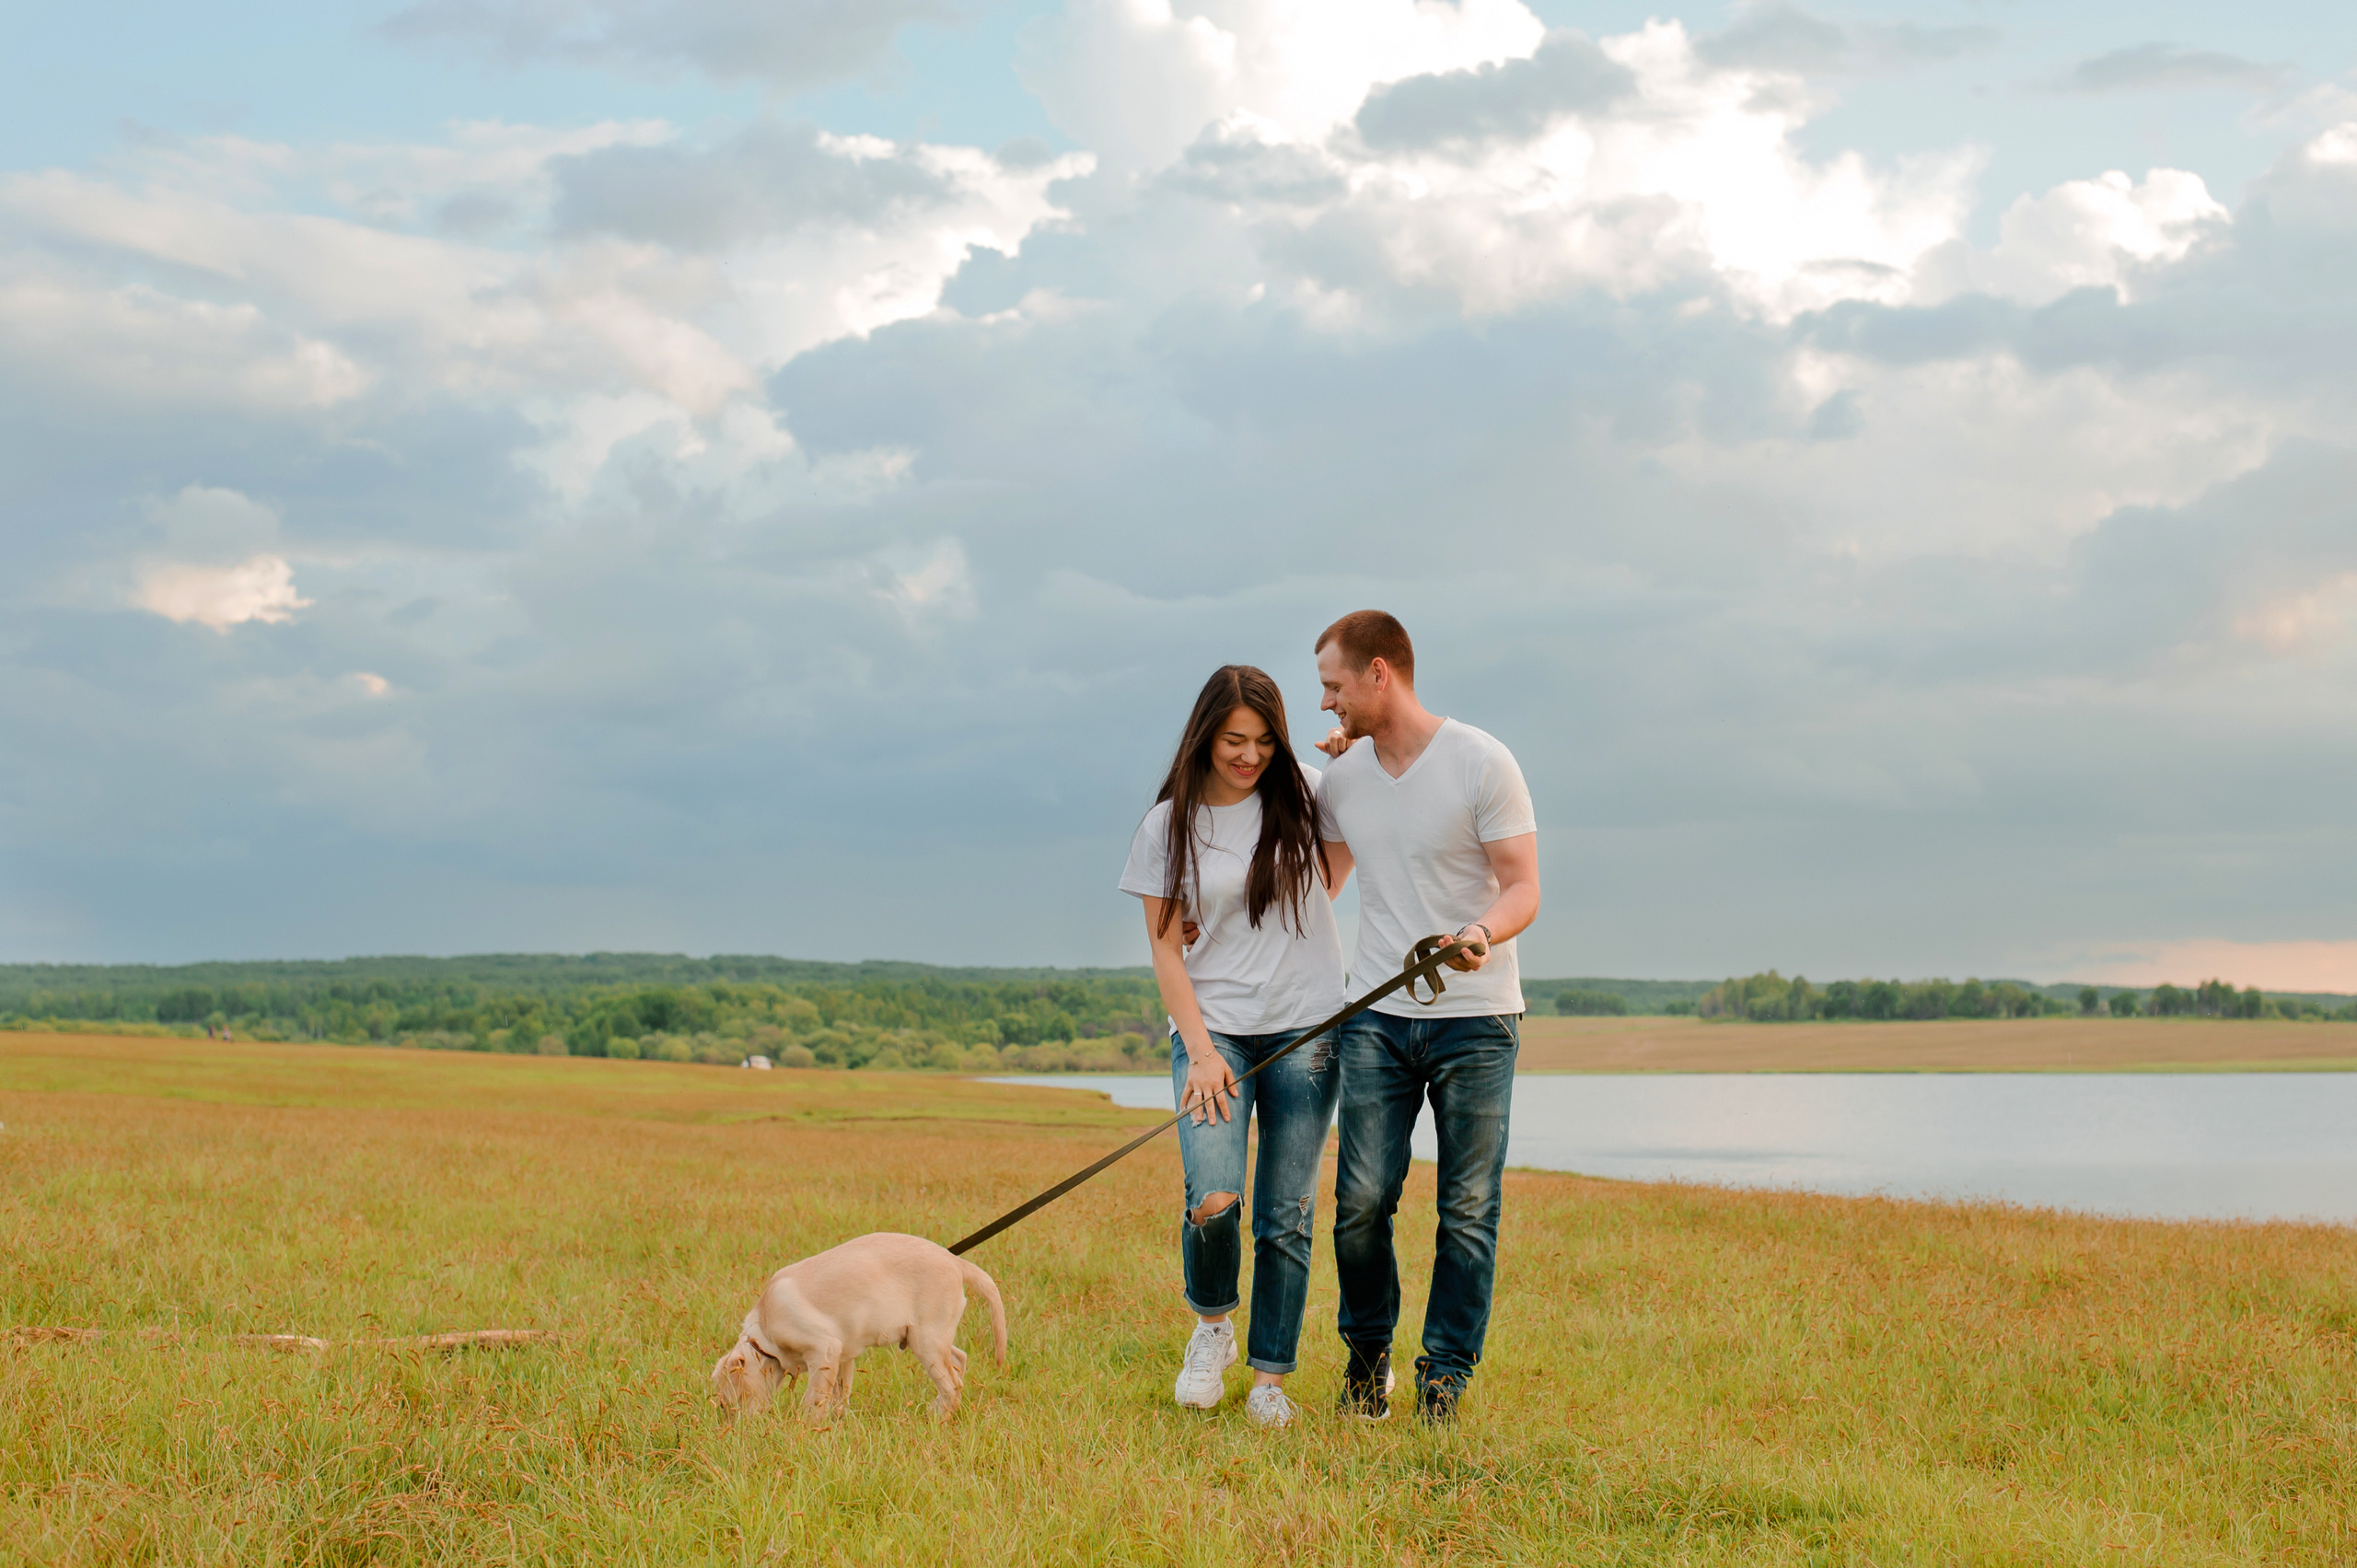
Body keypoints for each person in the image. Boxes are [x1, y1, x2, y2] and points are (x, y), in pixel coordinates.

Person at [1313, 610, 1539, 1424]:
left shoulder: (1482, 760)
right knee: (1361, 1201)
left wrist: (1481, 931)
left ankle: (1443, 1377)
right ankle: (1367, 1360)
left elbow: (1522, 885)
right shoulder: (1342, 779)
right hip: (1375, 1015)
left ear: (1381, 673)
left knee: (1467, 1205)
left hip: (1476, 1018)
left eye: (1334, 687)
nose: (1328, 704)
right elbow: (1323, 883)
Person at [1120, 664, 1351, 1428]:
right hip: (1212, 1029)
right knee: (1214, 1195)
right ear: (1205, 737)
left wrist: (1350, 755)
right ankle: (1213, 1325)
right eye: (1233, 741)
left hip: (1307, 1026)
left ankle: (1270, 1379)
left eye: (1263, 742)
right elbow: (1164, 950)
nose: (1249, 756)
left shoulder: (1310, 790)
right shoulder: (1168, 825)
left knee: (1286, 1211)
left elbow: (1340, 860)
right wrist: (1202, 1049)